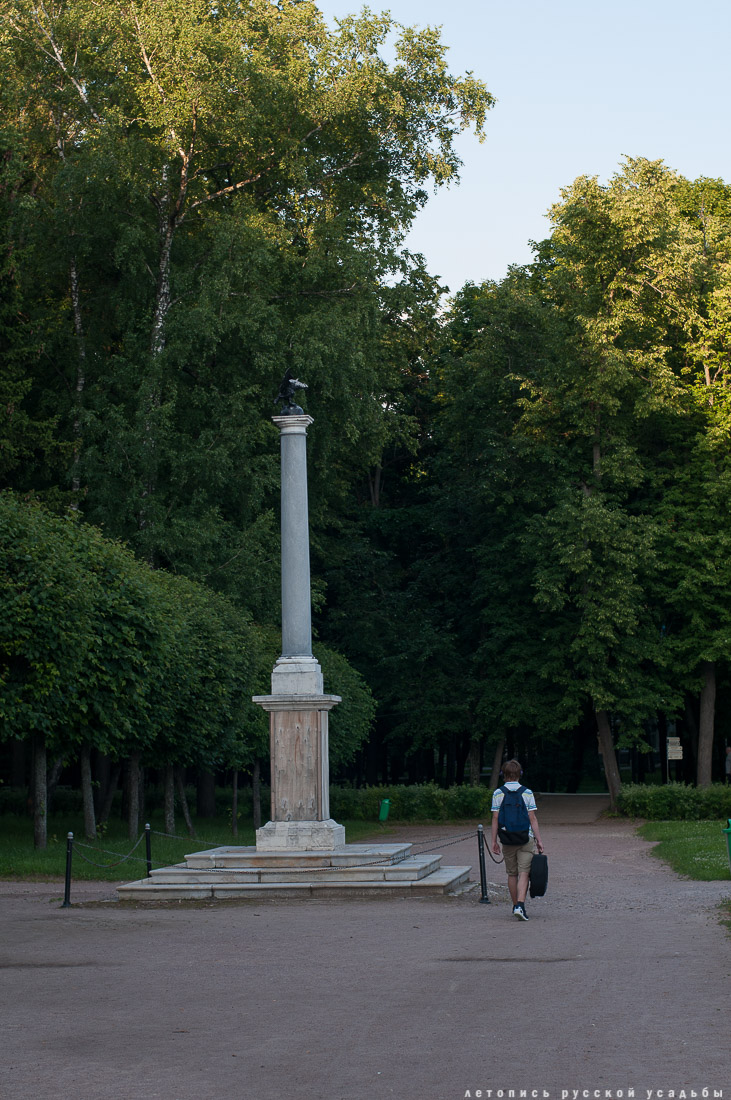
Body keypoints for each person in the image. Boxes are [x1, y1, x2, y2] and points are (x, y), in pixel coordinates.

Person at [491, 759, 544, 921]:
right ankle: (521, 905)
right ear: (520, 774)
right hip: (525, 837)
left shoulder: (498, 793)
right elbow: (532, 818)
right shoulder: (527, 792)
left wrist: (494, 841)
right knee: (524, 873)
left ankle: (515, 905)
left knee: (512, 874)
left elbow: (495, 818)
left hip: (507, 838)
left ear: (503, 775)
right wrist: (539, 840)